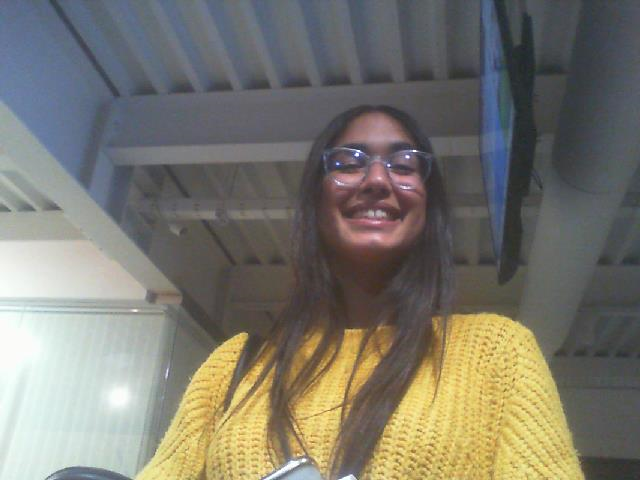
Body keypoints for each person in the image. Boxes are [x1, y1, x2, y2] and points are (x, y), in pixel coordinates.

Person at [135, 106, 583, 479]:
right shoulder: (235, 364)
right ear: (316, 199)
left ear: (429, 206)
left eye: (404, 164)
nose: (377, 180)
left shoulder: (497, 352)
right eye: (349, 162)